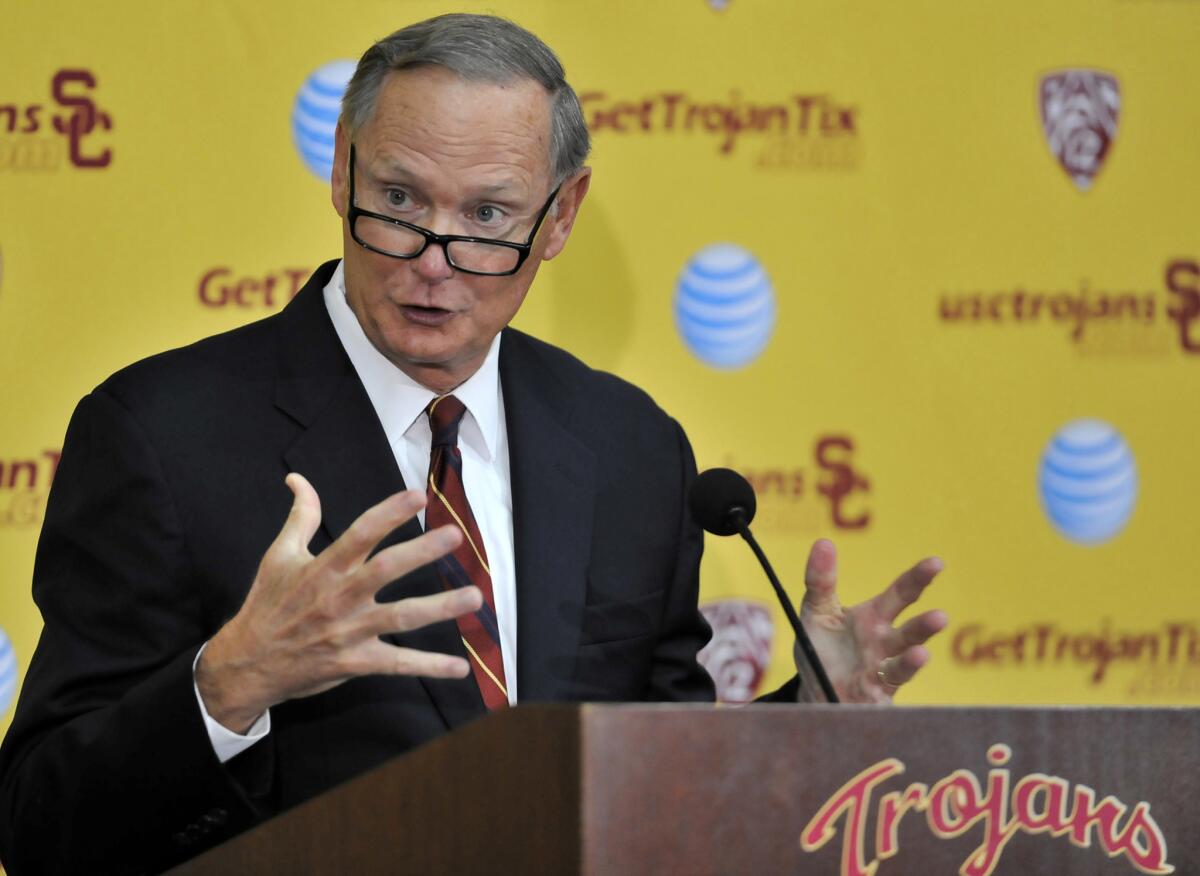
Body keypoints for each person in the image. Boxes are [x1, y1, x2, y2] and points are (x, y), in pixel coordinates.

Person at [0, 13, 946, 875]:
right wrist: (229, 684)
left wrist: (807, 726)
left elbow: (657, 778)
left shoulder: (629, 450)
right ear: (342, 168)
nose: (433, 261)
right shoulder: (164, 434)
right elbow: (37, 826)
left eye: (488, 218)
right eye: (400, 200)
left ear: (561, 215)